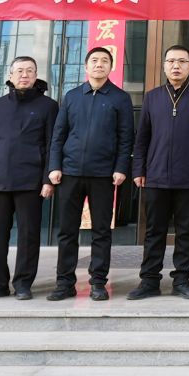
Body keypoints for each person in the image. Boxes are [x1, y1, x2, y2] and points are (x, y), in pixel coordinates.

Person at [47, 46, 134, 301]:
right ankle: (64, 283)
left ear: (111, 67)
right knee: (67, 231)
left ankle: (98, 282)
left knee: (101, 231)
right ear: (86, 66)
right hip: (70, 173)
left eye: (105, 61)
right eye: (94, 60)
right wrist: (55, 166)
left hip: (103, 175)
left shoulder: (120, 98)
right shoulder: (72, 96)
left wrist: (121, 168)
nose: (99, 64)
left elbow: (126, 138)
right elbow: (58, 135)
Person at [132, 44, 189, 300]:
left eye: (181, 61)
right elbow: (142, 138)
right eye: (171, 61)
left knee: (186, 231)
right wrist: (139, 168)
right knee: (154, 231)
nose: (176, 66)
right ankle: (149, 280)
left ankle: (181, 280)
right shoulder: (152, 97)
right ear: (164, 66)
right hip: (155, 175)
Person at [0, 56, 57, 301]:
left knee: (29, 234)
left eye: (30, 71)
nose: (24, 75)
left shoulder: (48, 106)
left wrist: (48, 180)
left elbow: (52, 145)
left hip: (31, 179)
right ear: (10, 75)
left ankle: (23, 283)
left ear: (36, 76)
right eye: (19, 70)